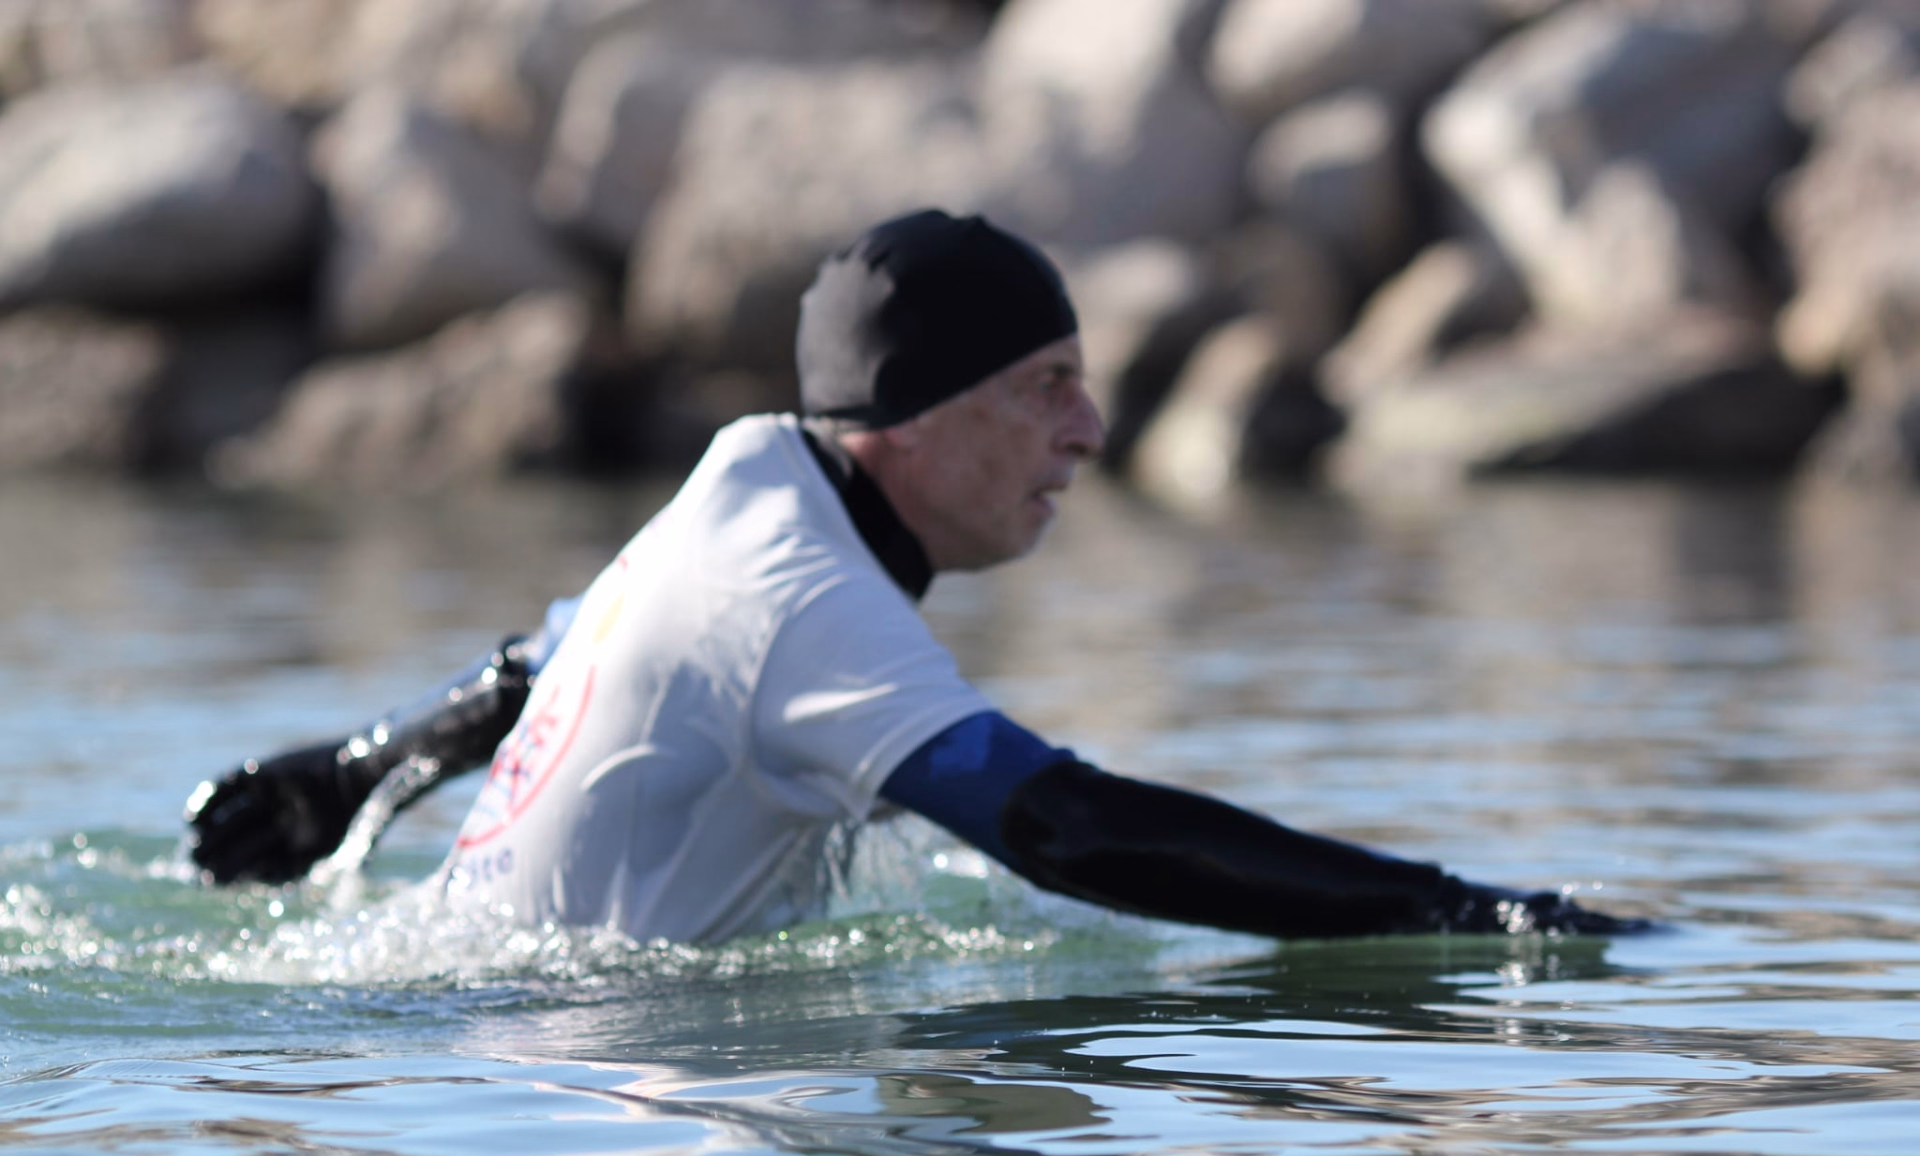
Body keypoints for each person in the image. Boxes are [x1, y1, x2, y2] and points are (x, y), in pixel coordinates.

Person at [182, 209, 1641, 944]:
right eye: (1049, 385)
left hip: (484, 1037)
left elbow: (536, 664)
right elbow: (1061, 828)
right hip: (559, 1056)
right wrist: (1462, 916)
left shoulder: (744, 477)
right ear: (918, 414)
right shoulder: (799, 596)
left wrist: (354, 767)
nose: (1088, 430)